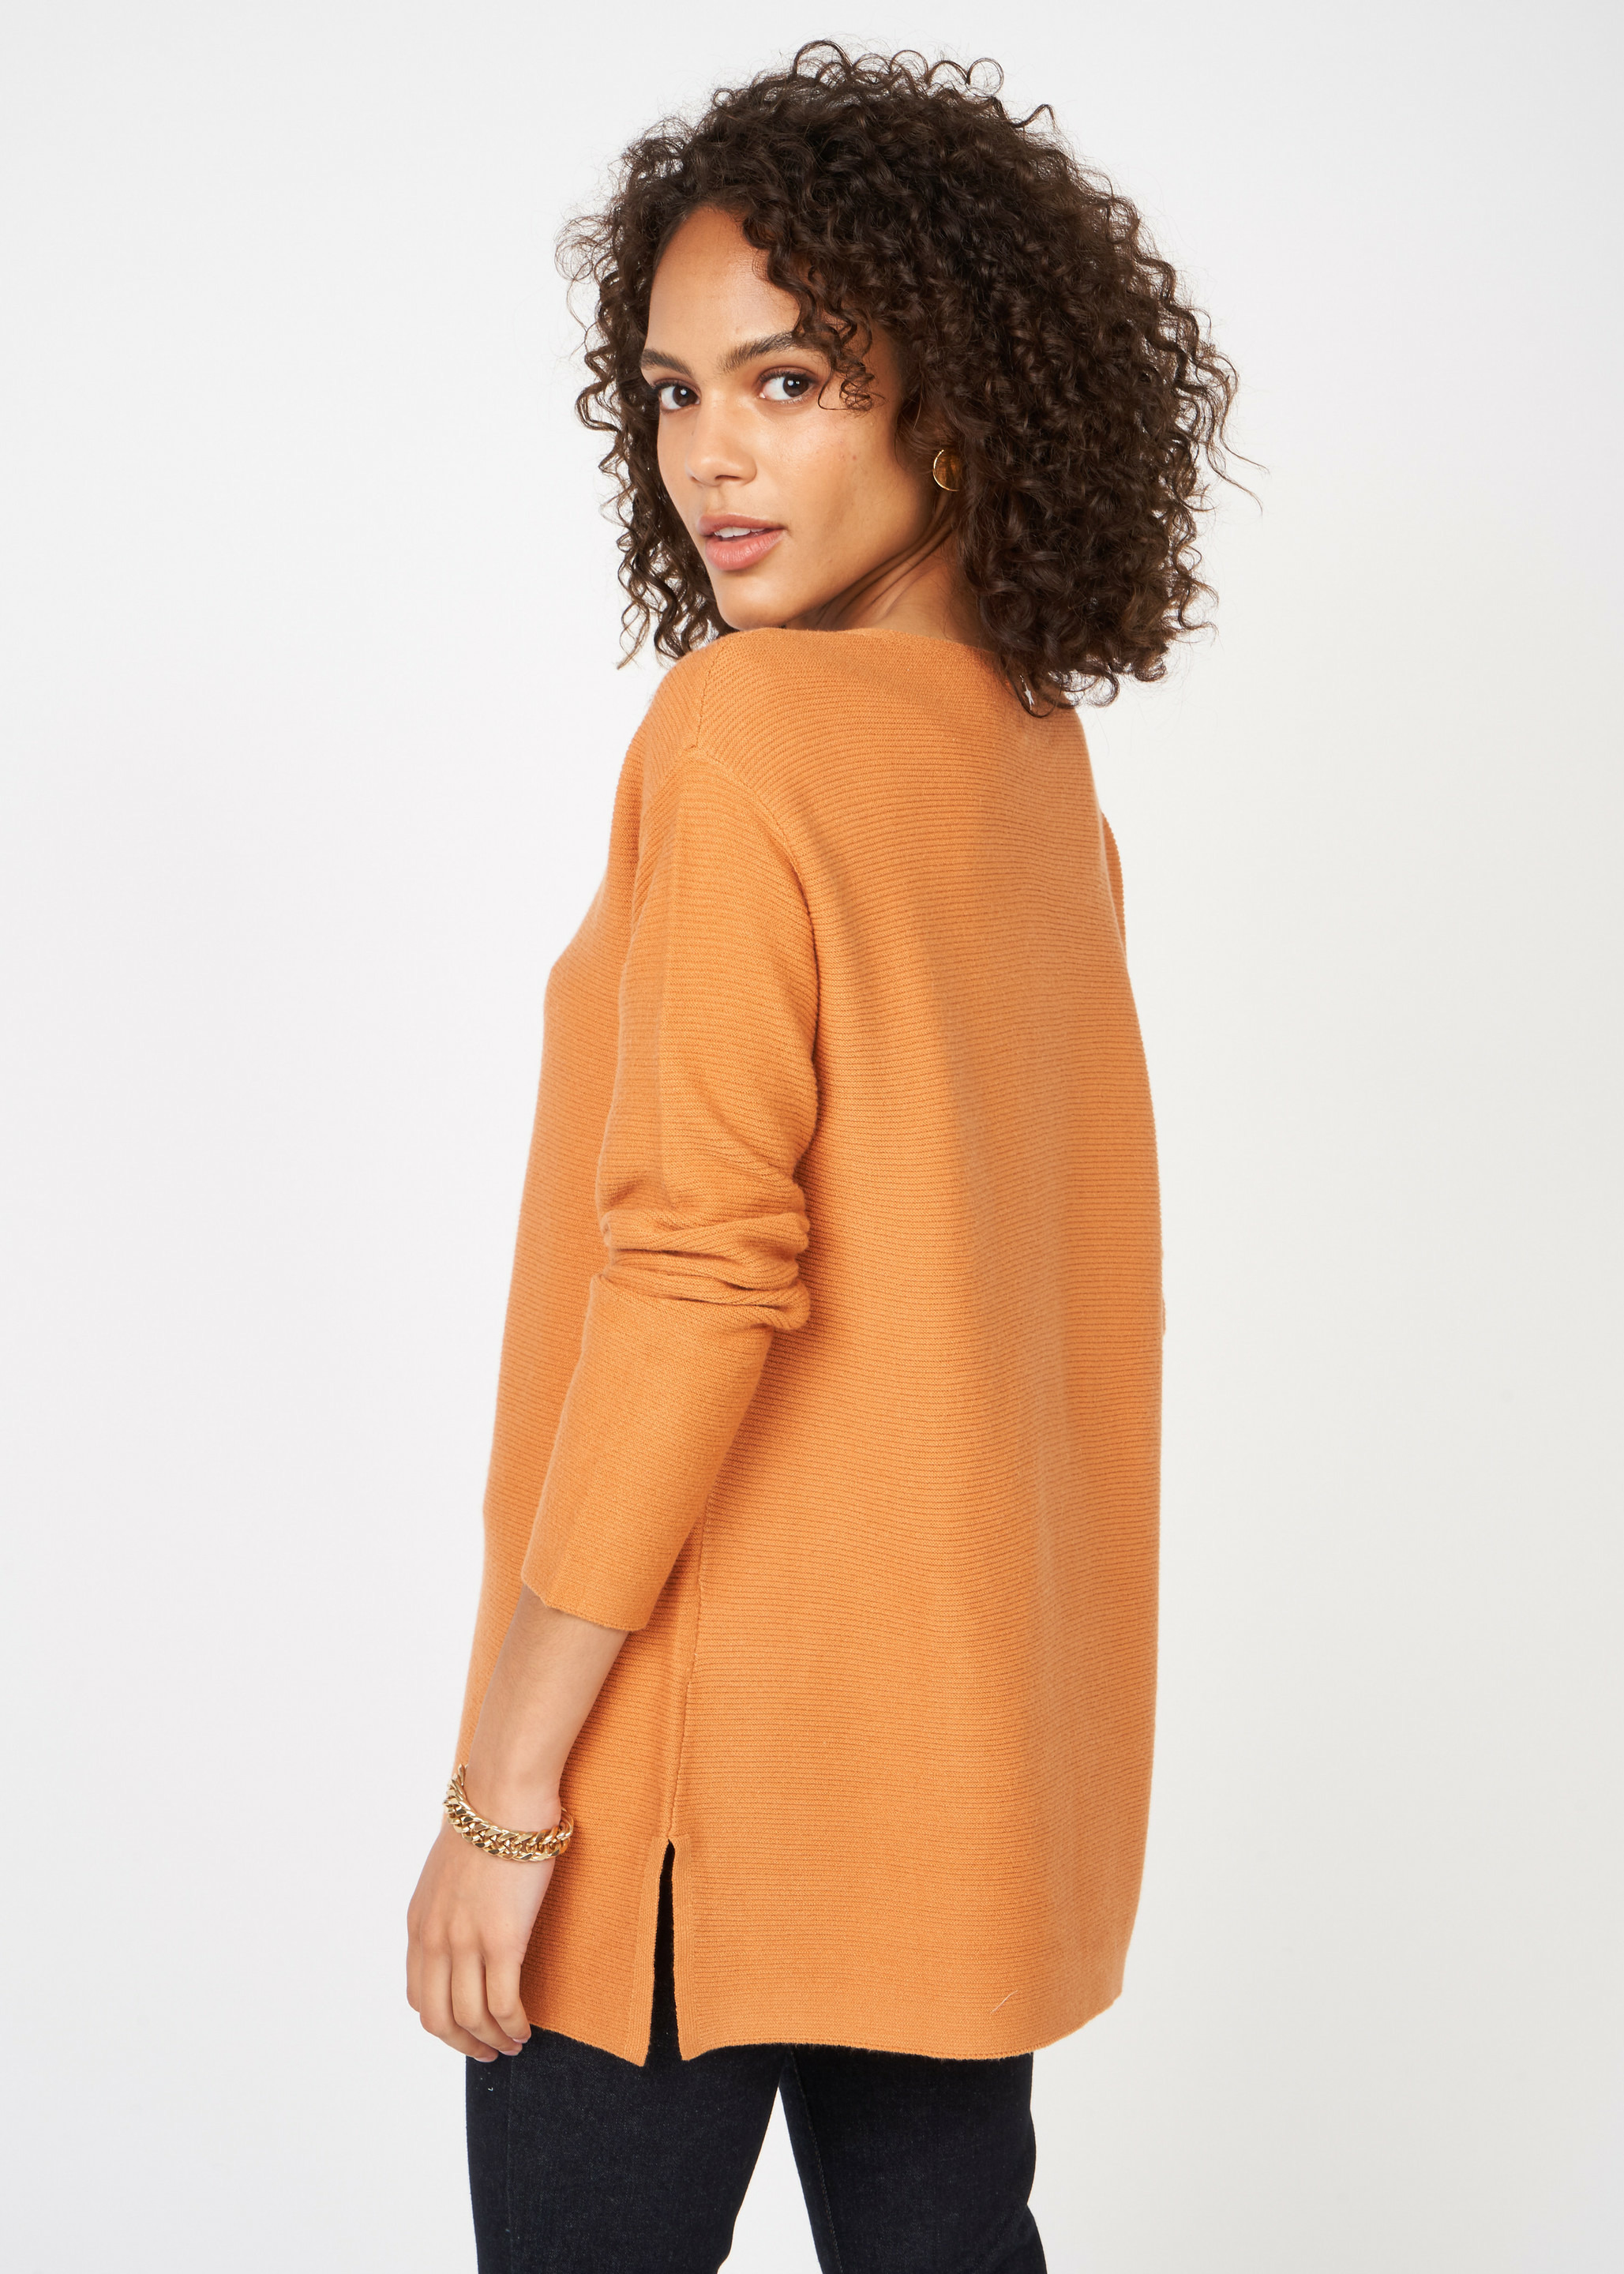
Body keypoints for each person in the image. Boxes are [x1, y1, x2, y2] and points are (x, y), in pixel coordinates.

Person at [406, 41, 1235, 2274]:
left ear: (955, 397)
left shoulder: (747, 732)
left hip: (694, 1762)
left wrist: (505, 1796)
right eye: (675, 393)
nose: (711, 454)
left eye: (788, 381)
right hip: (952, 1757)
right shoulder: (1029, 764)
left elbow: (697, 1273)